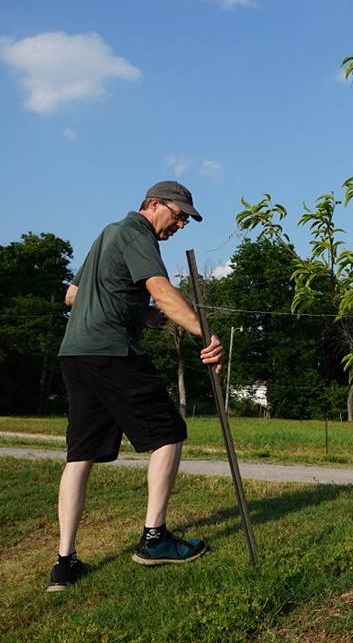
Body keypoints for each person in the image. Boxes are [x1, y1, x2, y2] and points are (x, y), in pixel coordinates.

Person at [50, 181, 225, 592]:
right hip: (112, 351)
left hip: (75, 353)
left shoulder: (108, 233)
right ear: (153, 204)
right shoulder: (137, 233)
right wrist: (206, 334)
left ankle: (65, 562)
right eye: (178, 214)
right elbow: (162, 292)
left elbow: (73, 297)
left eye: (186, 219)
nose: (180, 224)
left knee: (81, 454)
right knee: (169, 432)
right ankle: (154, 539)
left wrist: (138, 313)